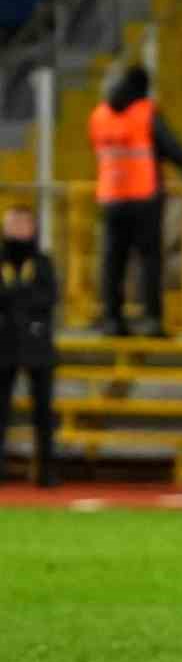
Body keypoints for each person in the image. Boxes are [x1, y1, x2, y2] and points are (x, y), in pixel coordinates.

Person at [88, 65, 182, 337]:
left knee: (113, 260)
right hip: (144, 197)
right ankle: (151, 319)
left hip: (111, 196)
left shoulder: (99, 116)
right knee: (149, 260)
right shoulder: (144, 112)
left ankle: (112, 319)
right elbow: (171, 148)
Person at [0, 205, 57, 487]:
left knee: (43, 413)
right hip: (4, 345)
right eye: (12, 223)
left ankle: (46, 470)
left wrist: (14, 299)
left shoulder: (42, 262)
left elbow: (47, 298)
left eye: (22, 223)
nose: (17, 229)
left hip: (38, 347)